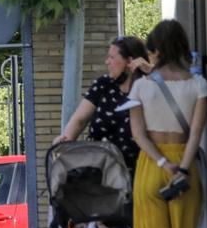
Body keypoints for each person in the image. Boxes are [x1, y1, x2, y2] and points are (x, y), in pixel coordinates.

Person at [125, 20, 207, 228]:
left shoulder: (141, 86)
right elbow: (196, 132)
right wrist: (182, 168)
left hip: (152, 166)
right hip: (185, 168)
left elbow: (138, 134)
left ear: (157, 49)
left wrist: (163, 164)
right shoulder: (198, 84)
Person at [53, 36, 148, 174]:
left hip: (138, 173)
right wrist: (64, 141)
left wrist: (151, 71)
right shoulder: (103, 84)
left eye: (112, 57)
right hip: (100, 175)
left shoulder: (149, 87)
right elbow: (79, 120)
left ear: (129, 61)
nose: (107, 62)